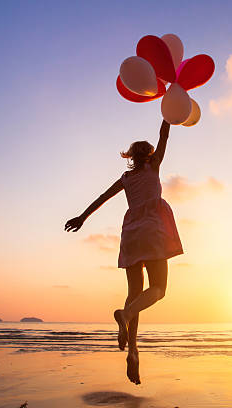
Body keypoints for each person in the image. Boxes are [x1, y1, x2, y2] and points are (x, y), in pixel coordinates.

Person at [64, 120, 183, 384]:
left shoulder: (126, 178)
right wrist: (167, 112)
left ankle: (133, 351)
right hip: (152, 230)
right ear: (150, 155)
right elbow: (164, 134)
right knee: (159, 289)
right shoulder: (154, 166)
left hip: (131, 233)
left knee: (134, 293)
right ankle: (125, 316)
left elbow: (103, 197)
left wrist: (82, 217)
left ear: (131, 157)